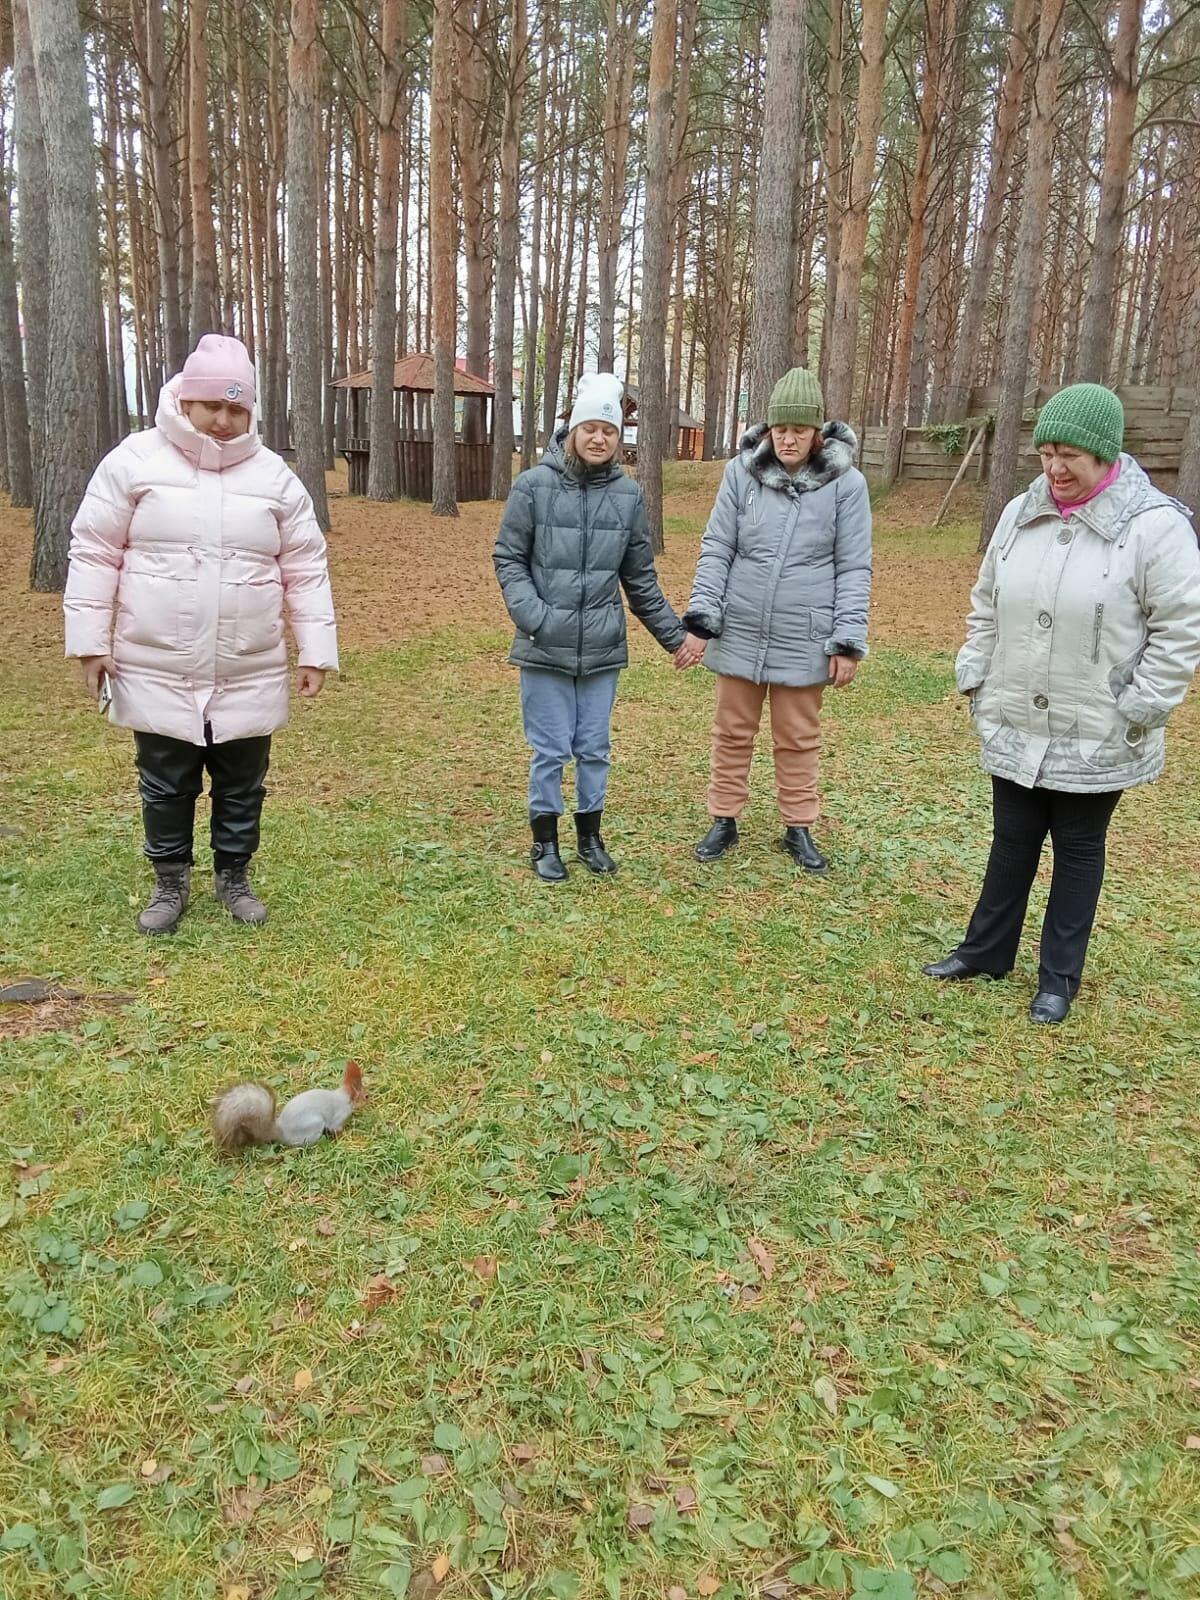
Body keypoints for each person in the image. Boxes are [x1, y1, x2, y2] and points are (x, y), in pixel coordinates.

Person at [923, 382, 1200, 1023]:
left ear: (1105, 454)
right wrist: (977, 671)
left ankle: (1057, 979)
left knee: (1077, 848)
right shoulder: (1020, 512)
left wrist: (1143, 704)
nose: (1054, 468)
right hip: (1017, 711)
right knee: (1011, 838)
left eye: (1069, 455)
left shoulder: (1155, 527)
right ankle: (985, 951)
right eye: (1046, 453)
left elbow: (1180, 629)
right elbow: (987, 602)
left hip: (1099, 722)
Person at [64, 334, 338, 934]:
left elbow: (305, 565)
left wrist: (316, 650)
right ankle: (170, 881)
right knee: (165, 781)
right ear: (185, 400)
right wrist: (90, 642)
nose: (223, 419)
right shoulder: (134, 462)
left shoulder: (275, 477)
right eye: (212, 405)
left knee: (242, 782)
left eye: (236, 408)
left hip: (247, 663)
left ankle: (234, 877)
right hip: (157, 662)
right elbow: (95, 551)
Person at [493, 372, 702, 881]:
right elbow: (509, 558)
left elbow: (640, 579)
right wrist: (535, 616)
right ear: (573, 430)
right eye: (590, 428)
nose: (598, 438)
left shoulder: (628, 497)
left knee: (593, 747)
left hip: (602, 648)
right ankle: (545, 842)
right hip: (544, 645)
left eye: (608, 430)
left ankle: (590, 837)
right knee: (550, 749)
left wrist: (676, 638)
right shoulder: (533, 486)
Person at [681, 367, 872, 871]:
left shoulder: (847, 485)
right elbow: (717, 548)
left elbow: (854, 566)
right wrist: (702, 620)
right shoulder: (739, 474)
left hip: (805, 633)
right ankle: (724, 818)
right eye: (780, 429)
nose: (788, 439)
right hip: (740, 626)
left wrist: (847, 639)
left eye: (800, 430)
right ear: (768, 429)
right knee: (731, 731)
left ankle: (798, 826)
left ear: (817, 432)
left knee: (798, 736)